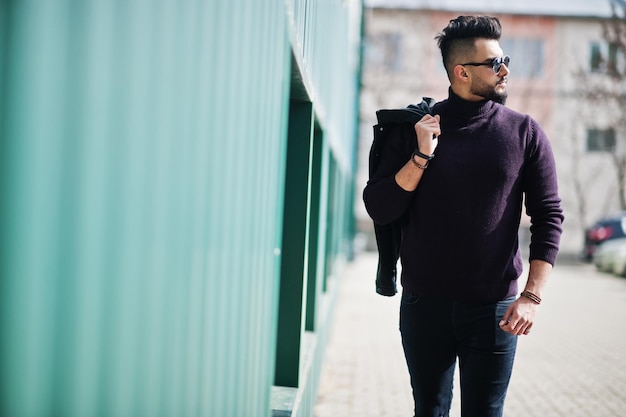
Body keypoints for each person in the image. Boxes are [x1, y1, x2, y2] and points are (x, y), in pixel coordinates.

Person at [363, 15, 564, 417]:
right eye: (495, 63)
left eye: (503, 59)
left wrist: (532, 296)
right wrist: (421, 155)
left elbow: (549, 216)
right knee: (430, 411)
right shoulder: (415, 129)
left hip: (494, 309)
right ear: (461, 72)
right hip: (425, 305)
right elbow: (380, 207)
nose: (505, 69)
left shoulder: (524, 132)